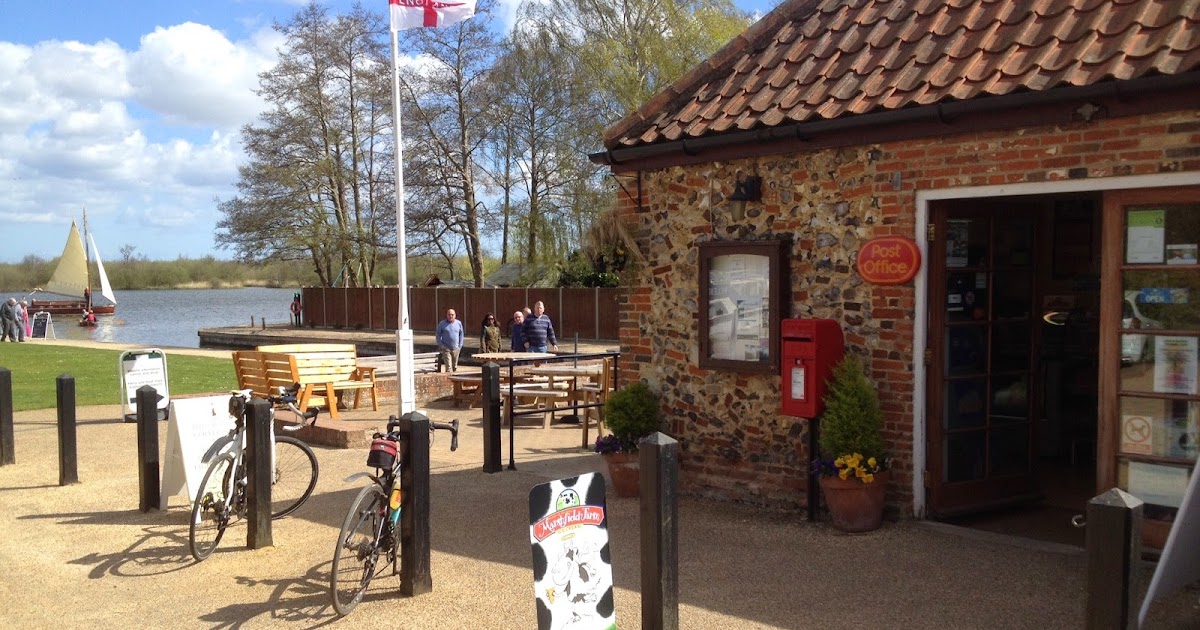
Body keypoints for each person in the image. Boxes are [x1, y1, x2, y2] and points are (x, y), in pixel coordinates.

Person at [435, 308, 464, 372]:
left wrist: (460, 345)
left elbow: (461, 334)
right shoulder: (442, 324)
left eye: (452, 315)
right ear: (447, 315)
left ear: (455, 315)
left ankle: (455, 380)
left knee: (455, 367)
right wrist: (441, 345)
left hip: (456, 348)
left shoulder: (458, 323)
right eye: (449, 315)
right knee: (448, 367)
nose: (451, 316)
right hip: (446, 348)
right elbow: (438, 334)